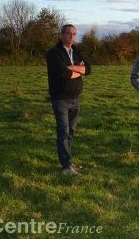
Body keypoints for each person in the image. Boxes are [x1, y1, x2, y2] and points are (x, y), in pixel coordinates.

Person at [46, 24, 91, 175]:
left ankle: (68, 163)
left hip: (75, 98)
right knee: (64, 132)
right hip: (60, 99)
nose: (72, 36)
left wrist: (72, 67)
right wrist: (79, 69)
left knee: (71, 132)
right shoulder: (53, 53)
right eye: (68, 33)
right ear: (61, 35)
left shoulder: (77, 50)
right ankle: (66, 167)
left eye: (74, 33)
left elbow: (88, 69)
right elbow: (63, 73)